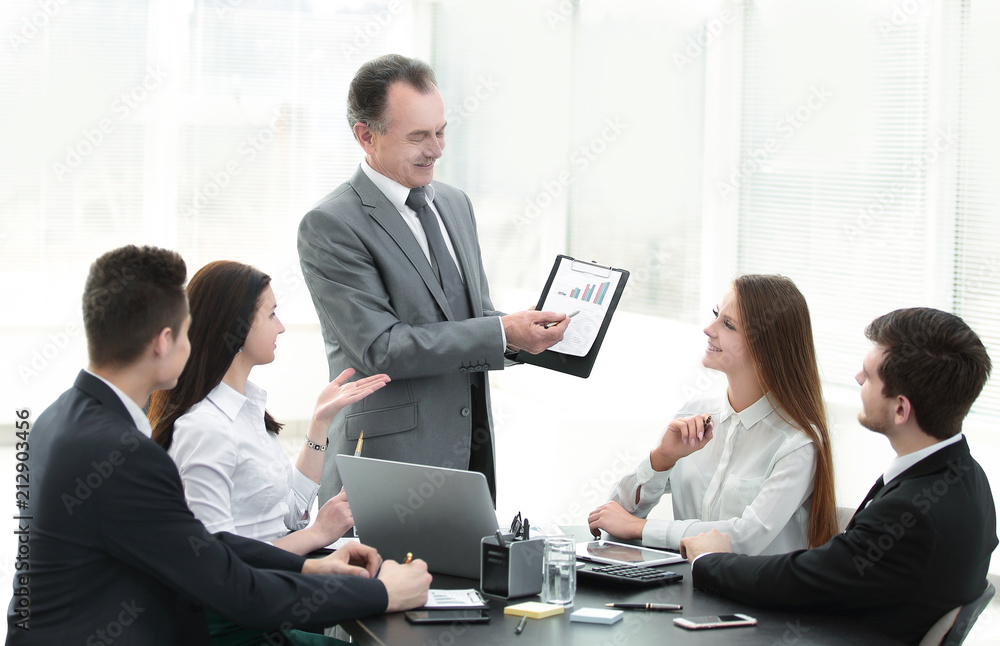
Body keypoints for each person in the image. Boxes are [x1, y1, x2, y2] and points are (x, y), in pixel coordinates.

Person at [6, 245, 431, 645]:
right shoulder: (122, 455)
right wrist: (382, 595)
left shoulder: (59, 418)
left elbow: (202, 544)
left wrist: (309, 564)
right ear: (162, 341)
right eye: (188, 332)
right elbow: (232, 589)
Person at [297, 53, 569, 505]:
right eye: (419, 136)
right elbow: (382, 348)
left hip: (469, 454)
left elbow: (472, 318)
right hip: (386, 463)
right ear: (366, 136)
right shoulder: (331, 224)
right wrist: (502, 332)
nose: (437, 148)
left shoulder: (455, 203)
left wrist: (528, 334)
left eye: (441, 131)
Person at [680, 307, 998, 646]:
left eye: (871, 376)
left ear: (901, 409)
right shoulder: (966, 474)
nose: (858, 378)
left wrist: (711, 559)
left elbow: (803, 580)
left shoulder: (911, 514)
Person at [149, 260, 389, 557]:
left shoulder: (248, 411)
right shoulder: (206, 428)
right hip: (256, 591)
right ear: (236, 325)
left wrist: (320, 421)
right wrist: (318, 533)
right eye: (272, 314)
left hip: (278, 576)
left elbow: (290, 512)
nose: (282, 326)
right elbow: (216, 559)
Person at [588, 274, 838, 555]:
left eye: (728, 325)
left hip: (754, 597)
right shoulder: (694, 414)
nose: (709, 329)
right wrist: (662, 459)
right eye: (716, 315)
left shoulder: (797, 443)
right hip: (689, 588)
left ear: (766, 347)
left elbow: (745, 537)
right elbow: (611, 520)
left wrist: (641, 528)